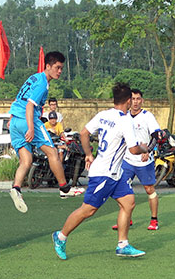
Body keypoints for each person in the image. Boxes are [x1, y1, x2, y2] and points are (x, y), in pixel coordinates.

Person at [51, 82, 149, 260]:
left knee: (128, 203)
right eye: (132, 99)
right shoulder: (126, 121)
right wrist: (144, 148)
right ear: (128, 101)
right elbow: (134, 149)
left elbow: (83, 133)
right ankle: (60, 236)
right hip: (104, 174)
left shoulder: (104, 115)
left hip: (115, 173)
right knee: (88, 210)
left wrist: (89, 154)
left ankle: (123, 245)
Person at [8, 51, 82, 212]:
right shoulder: (42, 84)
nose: (59, 71)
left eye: (61, 68)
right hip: (27, 120)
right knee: (53, 153)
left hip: (14, 122)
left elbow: (19, 98)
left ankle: (16, 188)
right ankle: (64, 188)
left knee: (26, 160)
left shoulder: (33, 78)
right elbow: (29, 105)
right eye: (57, 67)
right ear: (48, 66)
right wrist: (31, 128)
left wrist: (12, 118)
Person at [113, 88, 161, 231]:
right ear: (129, 100)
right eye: (133, 99)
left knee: (149, 189)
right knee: (122, 189)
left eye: (138, 99)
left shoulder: (148, 116)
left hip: (143, 161)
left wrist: (148, 151)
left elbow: (156, 136)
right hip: (127, 160)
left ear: (142, 100)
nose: (135, 102)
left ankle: (154, 220)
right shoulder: (123, 116)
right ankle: (126, 218)